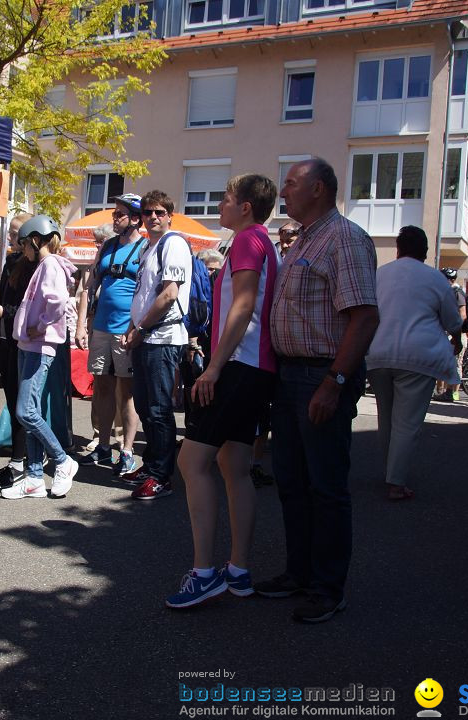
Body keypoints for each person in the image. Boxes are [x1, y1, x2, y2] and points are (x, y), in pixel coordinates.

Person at [255, 158, 378, 623]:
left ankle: (328, 587)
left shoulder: (344, 238)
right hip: (290, 377)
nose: (283, 191)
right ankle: (300, 573)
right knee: (291, 482)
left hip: (321, 375)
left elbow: (364, 317)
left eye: (291, 184)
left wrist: (335, 381)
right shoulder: (305, 237)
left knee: (326, 486)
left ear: (319, 189)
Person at [167, 174, 279, 608]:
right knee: (233, 465)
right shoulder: (257, 240)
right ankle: (237, 569)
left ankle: (204, 573)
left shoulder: (250, 240)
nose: (220, 204)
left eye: (227, 198)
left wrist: (212, 368)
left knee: (191, 462)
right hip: (252, 367)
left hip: (237, 366)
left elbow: (244, 304)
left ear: (246, 206)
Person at [365, 226, 461, 501]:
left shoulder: (379, 275)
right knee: (407, 422)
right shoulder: (435, 279)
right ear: (425, 250)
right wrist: (455, 339)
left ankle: (389, 471)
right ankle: (396, 481)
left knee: (387, 418)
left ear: (398, 248)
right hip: (418, 357)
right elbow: (453, 321)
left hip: (378, 352)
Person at [2, 215, 80, 499]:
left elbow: (57, 301)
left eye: (24, 244)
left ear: (36, 239)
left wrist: (41, 325)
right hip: (29, 345)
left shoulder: (49, 265)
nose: (23, 249)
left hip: (38, 345)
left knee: (26, 411)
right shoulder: (45, 265)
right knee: (30, 410)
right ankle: (34, 476)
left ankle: (62, 460)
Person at [121, 190, 192, 500]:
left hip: (161, 338)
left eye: (160, 212)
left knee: (159, 409)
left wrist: (140, 328)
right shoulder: (149, 248)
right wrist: (131, 327)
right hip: (145, 335)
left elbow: (169, 294)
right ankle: (152, 465)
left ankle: (162, 476)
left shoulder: (173, 243)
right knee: (145, 405)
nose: (153, 217)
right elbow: (143, 295)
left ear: (169, 216)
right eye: (148, 212)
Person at [75, 193, 145, 476]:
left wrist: (137, 329)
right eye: (114, 214)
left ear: (136, 219)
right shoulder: (107, 247)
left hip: (125, 330)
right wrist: (81, 325)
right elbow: (88, 287)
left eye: (120, 215)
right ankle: (103, 446)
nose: (114, 219)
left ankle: (126, 450)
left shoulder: (145, 248)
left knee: (126, 393)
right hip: (101, 328)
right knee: (101, 387)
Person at [0, 213, 33, 489]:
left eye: (15, 233)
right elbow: (6, 299)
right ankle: (18, 461)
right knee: (13, 402)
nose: (10, 237)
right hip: (6, 339)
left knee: (24, 406)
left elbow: (30, 309)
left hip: (25, 342)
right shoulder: (11, 261)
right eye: (10, 232)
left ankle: (24, 462)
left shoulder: (36, 265)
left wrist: (4, 311)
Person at [433, 267, 467, 403]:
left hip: (456, 334)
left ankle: (452, 393)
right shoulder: (448, 292)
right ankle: (441, 391)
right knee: (443, 363)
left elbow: (462, 315)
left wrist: (453, 331)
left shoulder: (457, 293)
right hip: (449, 333)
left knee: (455, 364)